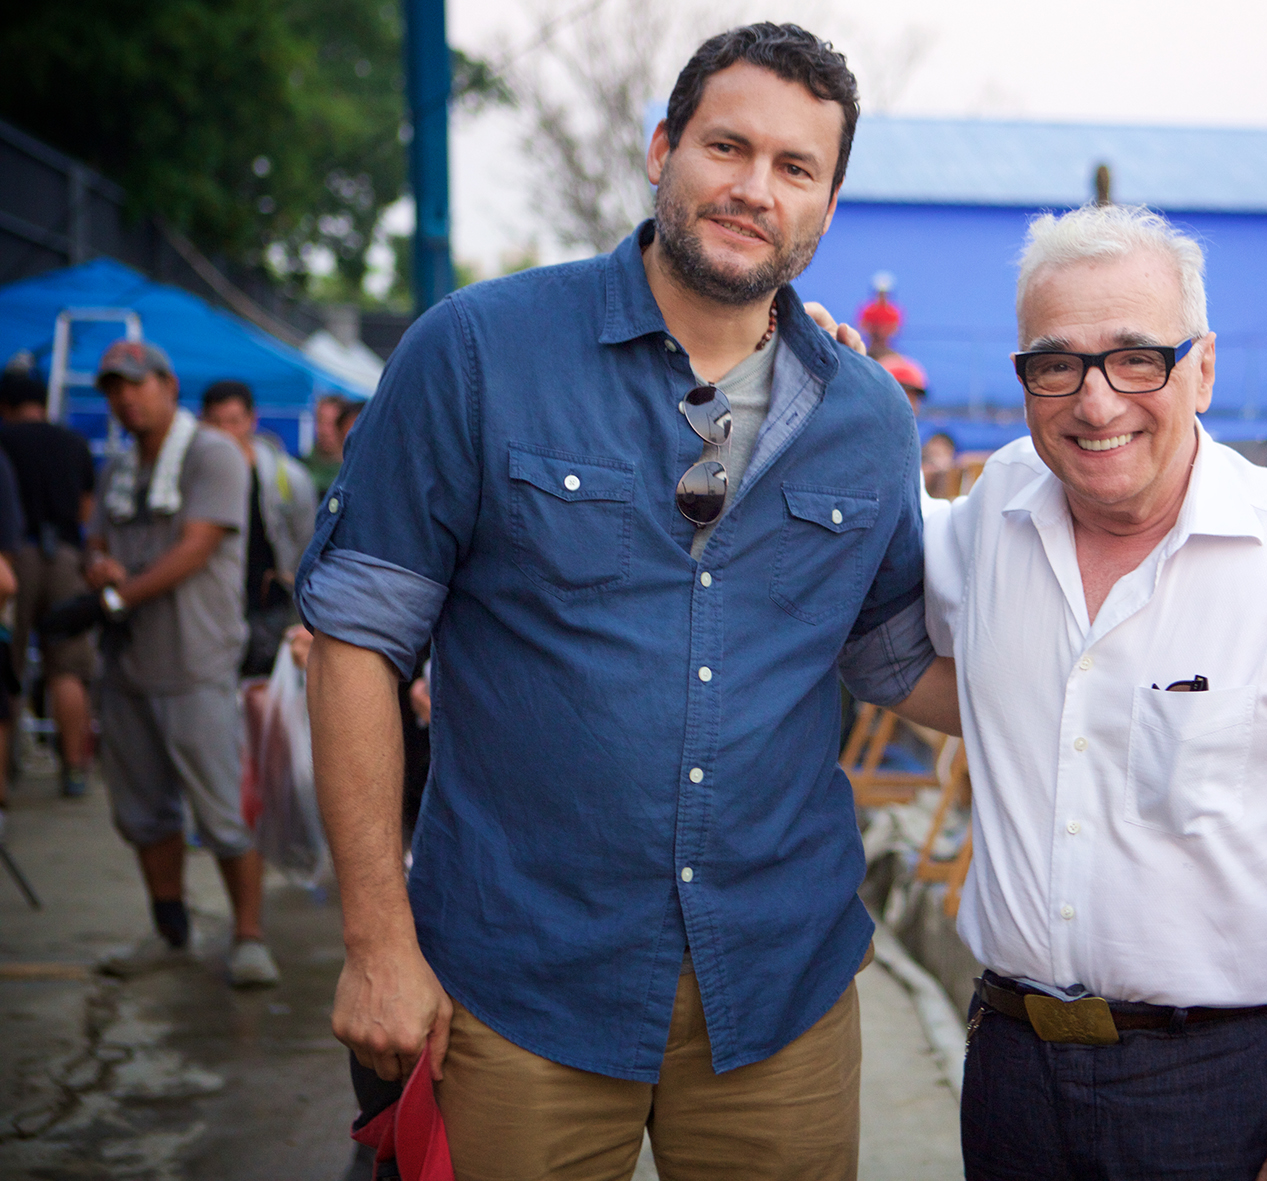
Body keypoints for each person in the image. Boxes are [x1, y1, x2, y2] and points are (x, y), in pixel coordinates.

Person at [298, 23, 956, 1180]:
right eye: (726, 147)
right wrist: (375, 941)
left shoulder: (867, 418)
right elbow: (354, 637)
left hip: (781, 990)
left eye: (794, 168)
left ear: (827, 206)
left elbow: (892, 660)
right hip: (518, 981)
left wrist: (1112, 669)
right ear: (662, 149)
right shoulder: (476, 352)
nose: (753, 189)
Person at [922, 204, 1267, 1181]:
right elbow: (866, 561)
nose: (1095, 401)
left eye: (1135, 358)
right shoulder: (994, 510)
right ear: (1022, 377)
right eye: (1055, 363)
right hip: (1007, 1068)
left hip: (1220, 1087)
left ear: (1202, 366)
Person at [81, 338, 280, 988]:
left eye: (136, 383)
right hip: (128, 663)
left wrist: (117, 593)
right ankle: (170, 930)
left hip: (195, 659)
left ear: (168, 384)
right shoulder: (117, 469)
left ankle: (248, 935)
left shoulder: (211, 453)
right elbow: (98, 541)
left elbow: (197, 546)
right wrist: (99, 569)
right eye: (113, 386)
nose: (124, 397)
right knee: (143, 812)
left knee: (221, 808)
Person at [0, 358, 97, 797]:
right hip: (65, 559)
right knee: (68, 670)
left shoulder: (3, 441)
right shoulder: (73, 442)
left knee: (9, 667)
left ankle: (6, 776)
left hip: (13, 560)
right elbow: (86, 511)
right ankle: (74, 769)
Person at [200, 381, 317, 678]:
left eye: (234, 421)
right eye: (216, 422)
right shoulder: (194, 478)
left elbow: (308, 544)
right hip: (213, 606)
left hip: (270, 607)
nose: (225, 431)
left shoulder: (287, 478)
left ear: (252, 420)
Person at [304, 393, 348, 495]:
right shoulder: (302, 468)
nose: (325, 431)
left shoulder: (353, 475)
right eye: (320, 421)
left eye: (332, 423)